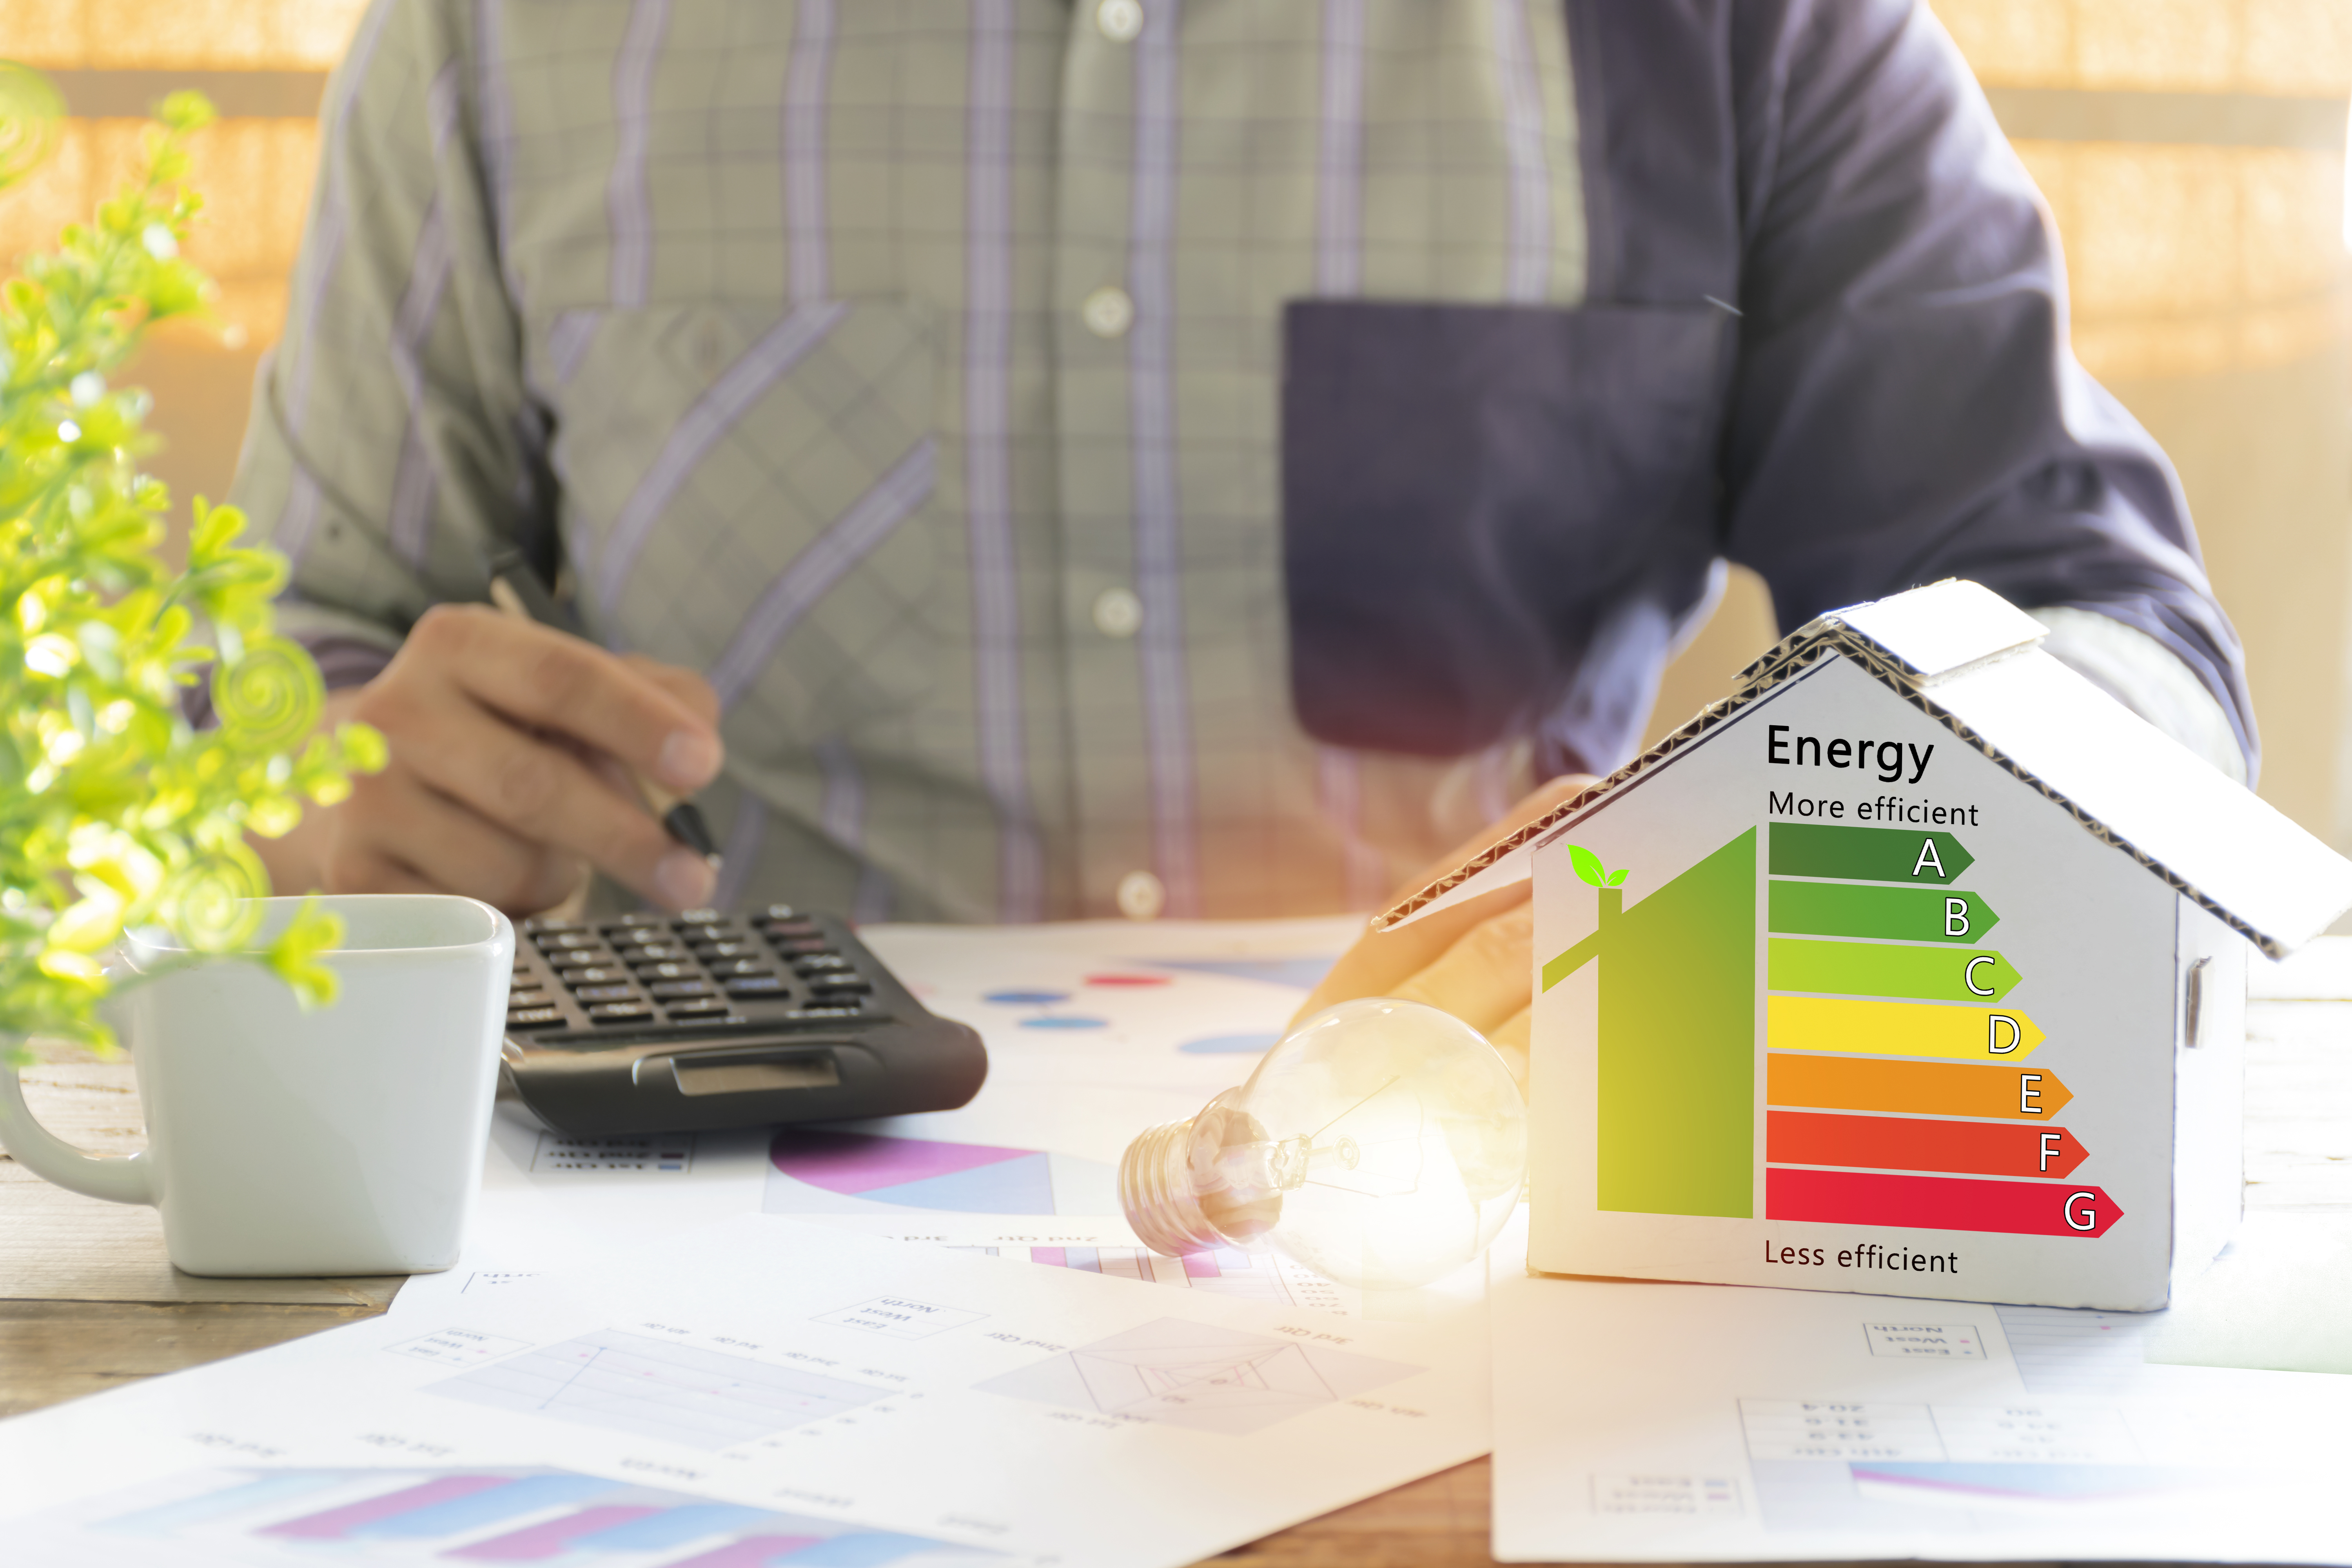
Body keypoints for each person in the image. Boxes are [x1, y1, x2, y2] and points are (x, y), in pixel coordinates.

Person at [234, 0, 2254, 1074]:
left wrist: (1840, 850)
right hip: (685, 1254)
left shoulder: (1732, 28)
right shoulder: (500, 34)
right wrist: (326, 816)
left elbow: (2098, 637)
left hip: (1474, 1247)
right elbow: (271, 695)